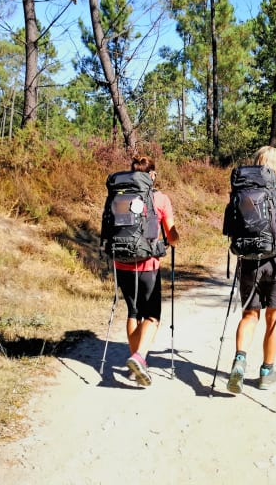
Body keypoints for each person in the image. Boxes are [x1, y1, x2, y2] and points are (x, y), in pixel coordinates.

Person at [227, 146, 276, 394]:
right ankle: (267, 372)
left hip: (249, 261)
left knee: (250, 315)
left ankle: (239, 360)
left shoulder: (242, 192)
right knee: (274, 317)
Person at [116, 155, 180, 387]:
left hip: (121, 262)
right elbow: (171, 234)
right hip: (148, 264)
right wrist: (173, 240)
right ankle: (139, 357)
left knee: (133, 312)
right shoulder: (160, 198)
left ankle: (135, 367)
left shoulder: (119, 196)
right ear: (152, 175)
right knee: (152, 316)